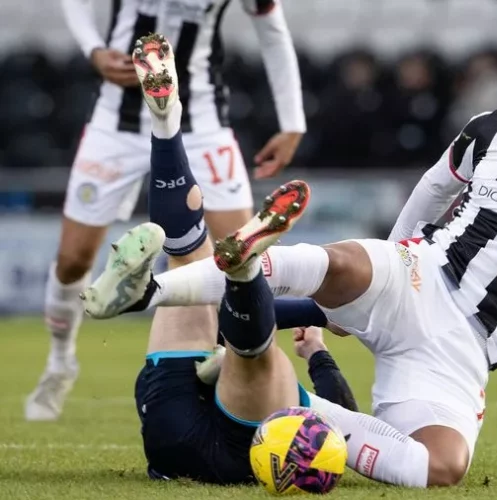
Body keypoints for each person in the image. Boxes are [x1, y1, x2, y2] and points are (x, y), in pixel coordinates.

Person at [86, 54, 497, 487]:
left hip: (461, 348)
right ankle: (154, 292)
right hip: (418, 273)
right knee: (341, 263)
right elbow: (434, 187)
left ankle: (303, 411)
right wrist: (392, 262)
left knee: (441, 468)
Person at [79, 36, 356, 484]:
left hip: (221, 431)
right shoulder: (306, 405)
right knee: (251, 349)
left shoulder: (316, 413)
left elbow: (338, 424)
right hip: (182, 441)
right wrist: (318, 350)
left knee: (191, 264)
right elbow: (342, 425)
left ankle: (166, 129)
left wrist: (323, 320)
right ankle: (216, 287)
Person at [28, 0, 307, 421]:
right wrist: (94, 50)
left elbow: (272, 28)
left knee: (244, 256)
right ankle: (60, 361)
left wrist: (292, 121)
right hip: (115, 121)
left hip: (203, 121)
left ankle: (243, 378)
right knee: (72, 261)